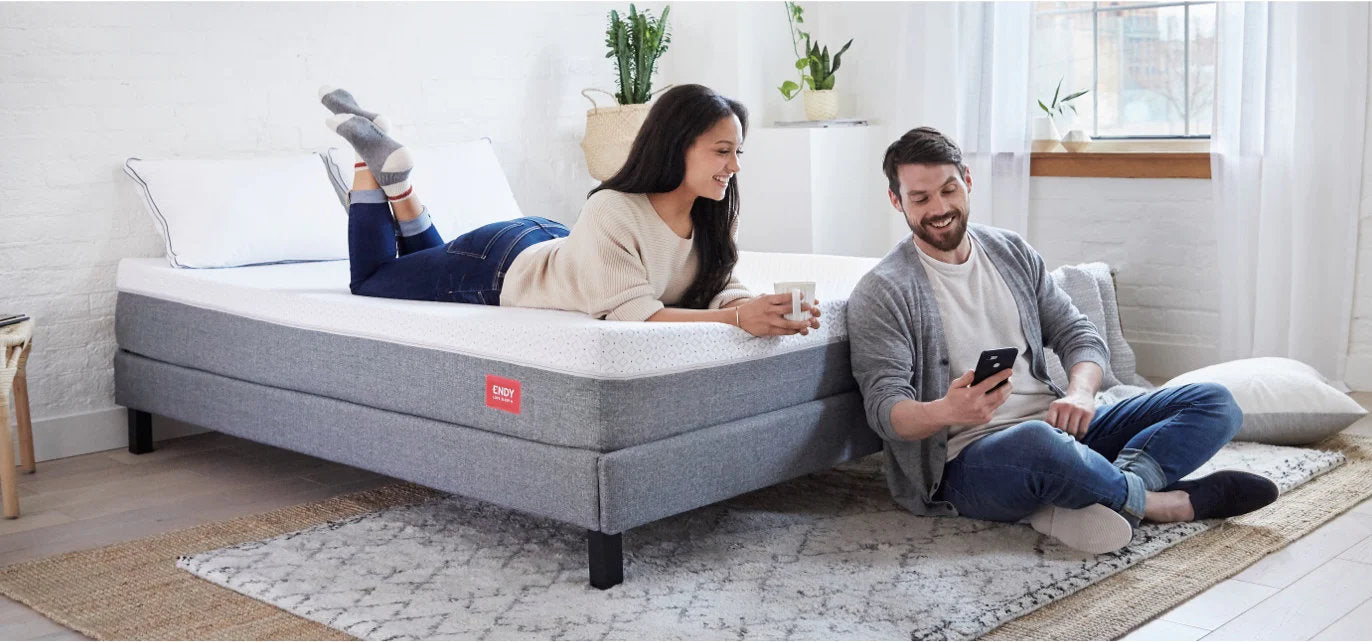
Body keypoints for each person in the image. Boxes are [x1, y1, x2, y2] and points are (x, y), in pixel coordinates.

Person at [846, 127, 1279, 553]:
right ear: (896, 200)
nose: (940, 208)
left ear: (968, 181)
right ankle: (1163, 503)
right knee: (1038, 444)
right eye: (920, 199)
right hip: (964, 462)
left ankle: (1101, 493)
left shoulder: (1009, 252)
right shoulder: (884, 291)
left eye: (949, 190)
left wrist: (1080, 393)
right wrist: (948, 409)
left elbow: (1079, 335)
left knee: (1215, 402)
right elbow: (886, 412)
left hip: (1057, 430)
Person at [318, 83, 820, 336]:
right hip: (500, 266)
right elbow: (632, 314)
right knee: (374, 277)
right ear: (677, 146)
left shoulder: (711, 213)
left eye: (737, 151)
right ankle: (369, 163)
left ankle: (398, 184)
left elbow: (718, 285)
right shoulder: (615, 209)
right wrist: (736, 323)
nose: (733, 165)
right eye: (721, 151)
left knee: (421, 265)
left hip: (554, 243)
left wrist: (757, 309)